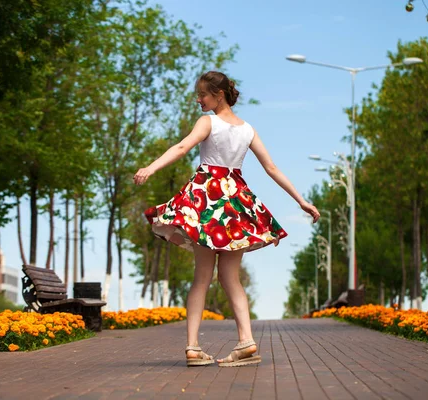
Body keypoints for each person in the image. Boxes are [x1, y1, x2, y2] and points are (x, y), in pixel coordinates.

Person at [134, 71, 320, 367]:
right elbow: (271, 168)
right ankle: (246, 341)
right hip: (234, 202)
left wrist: (150, 168)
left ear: (218, 95)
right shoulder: (248, 129)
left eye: (202, 95)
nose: (198, 100)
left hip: (207, 201)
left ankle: (193, 347)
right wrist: (301, 201)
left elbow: (183, 147)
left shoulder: (208, 122)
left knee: (201, 278)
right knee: (230, 278)